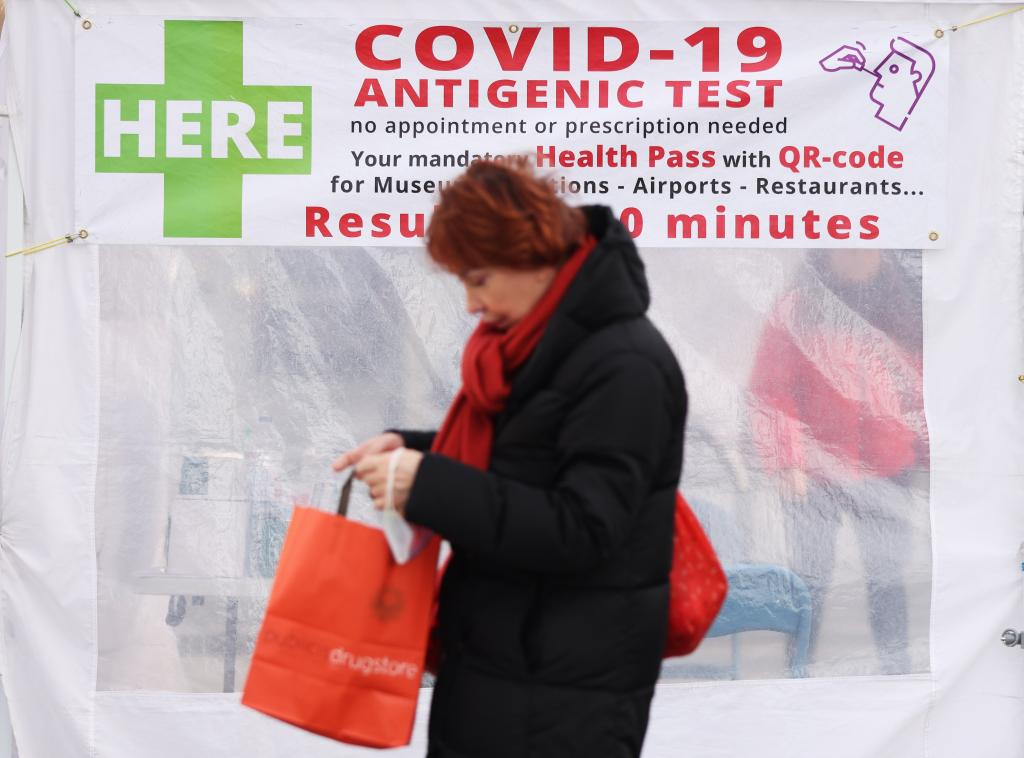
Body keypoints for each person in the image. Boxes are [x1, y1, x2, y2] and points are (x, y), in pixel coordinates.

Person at [332, 160, 687, 757]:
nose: (470, 304)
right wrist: (413, 449)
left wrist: (429, 484)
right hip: (503, 665)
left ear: (532, 255)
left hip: (566, 693)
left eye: (478, 279)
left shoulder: (625, 365)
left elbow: (584, 528)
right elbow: (524, 455)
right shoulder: (536, 345)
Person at [749, 248, 928, 675]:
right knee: (810, 580)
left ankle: (897, 673)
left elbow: (921, 385)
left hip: (889, 463)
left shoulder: (904, 308)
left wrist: (929, 453)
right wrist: (789, 459)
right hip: (814, 473)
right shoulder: (797, 307)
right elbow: (771, 388)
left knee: (888, 578)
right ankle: (798, 671)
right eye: (845, 245)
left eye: (867, 246)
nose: (857, 254)